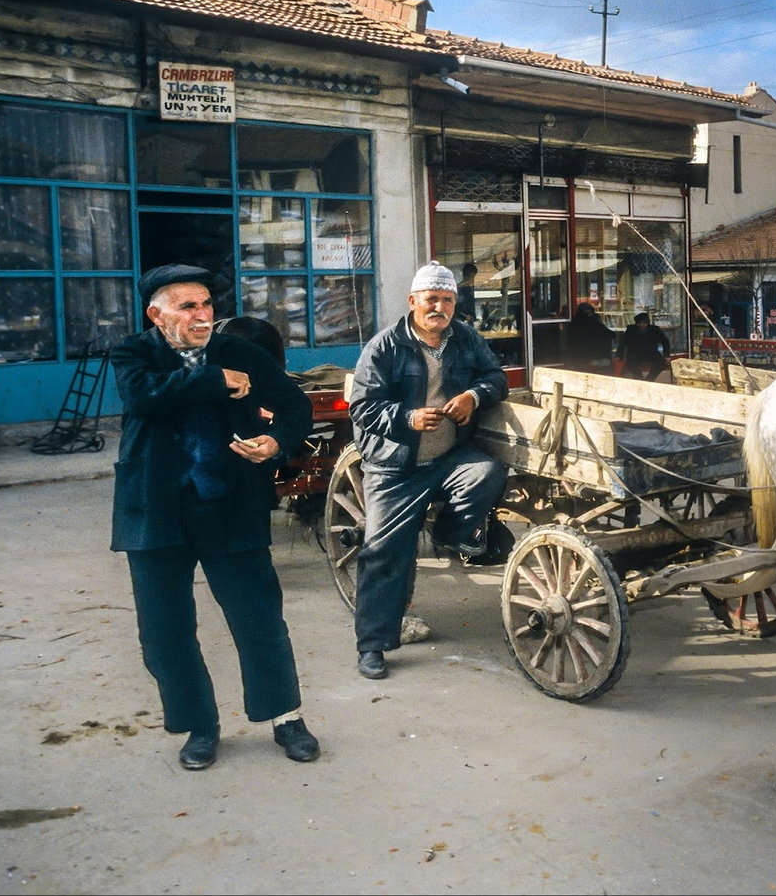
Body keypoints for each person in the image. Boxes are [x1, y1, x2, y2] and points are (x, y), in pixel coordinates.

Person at [109, 264, 319, 770]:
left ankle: (285, 718)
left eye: (207, 305)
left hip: (229, 506)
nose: (203, 316)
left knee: (259, 619)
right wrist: (214, 380)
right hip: (154, 511)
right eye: (188, 307)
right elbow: (143, 396)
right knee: (165, 630)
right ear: (156, 315)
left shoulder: (240, 352)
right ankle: (200, 726)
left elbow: (294, 406)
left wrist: (276, 441)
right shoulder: (132, 353)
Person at [348, 262, 511, 681]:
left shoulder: (464, 338)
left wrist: (474, 395)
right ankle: (372, 646)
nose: (439, 308)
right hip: (395, 465)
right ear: (413, 302)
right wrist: (406, 417)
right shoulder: (384, 347)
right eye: (432, 300)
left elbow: (496, 376)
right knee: (383, 553)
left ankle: (449, 535)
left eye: (447, 300)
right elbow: (363, 407)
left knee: (488, 472)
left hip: (447, 457)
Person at [617, 311, 671, 380]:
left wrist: (666, 356)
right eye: (639, 323)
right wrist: (619, 356)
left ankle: (650, 379)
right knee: (631, 364)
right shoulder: (631, 330)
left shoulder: (654, 330)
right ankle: (639, 378)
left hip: (651, 353)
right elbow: (623, 343)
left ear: (647, 323)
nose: (641, 325)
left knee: (661, 363)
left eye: (644, 323)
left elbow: (665, 342)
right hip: (634, 354)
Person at [565, 301, 616, 371]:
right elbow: (606, 333)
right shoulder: (592, 321)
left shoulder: (574, 321)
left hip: (576, 357)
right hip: (593, 357)